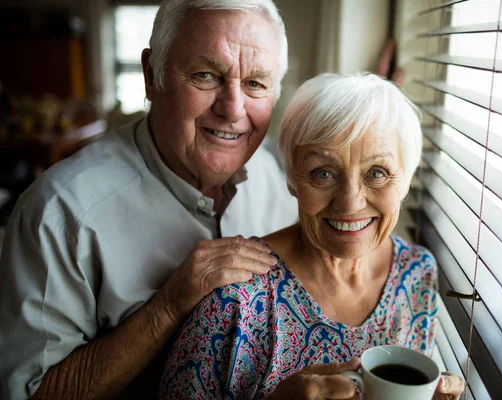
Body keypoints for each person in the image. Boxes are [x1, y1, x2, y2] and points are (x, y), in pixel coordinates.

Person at [0, 1, 298, 398]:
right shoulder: (59, 214)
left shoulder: (285, 178)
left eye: (256, 84)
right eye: (206, 75)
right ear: (150, 75)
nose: (232, 109)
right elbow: (30, 393)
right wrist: (166, 308)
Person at [158, 73, 465, 400]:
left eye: (377, 173)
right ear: (292, 179)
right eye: (323, 173)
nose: (350, 203)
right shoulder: (234, 296)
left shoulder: (418, 272)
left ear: (405, 181)